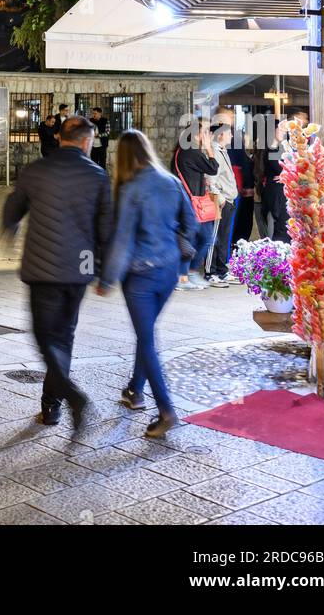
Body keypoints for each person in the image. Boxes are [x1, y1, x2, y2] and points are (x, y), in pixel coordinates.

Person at [2, 116, 113, 429]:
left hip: (41, 267)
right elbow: (106, 230)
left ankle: (62, 401)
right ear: (85, 141)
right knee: (64, 337)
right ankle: (55, 403)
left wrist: (9, 228)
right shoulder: (97, 175)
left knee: (44, 337)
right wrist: (103, 274)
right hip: (81, 267)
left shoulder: (37, 170)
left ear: (60, 136)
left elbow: (13, 208)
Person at [98, 129, 197, 439]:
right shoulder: (171, 181)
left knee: (147, 339)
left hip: (140, 274)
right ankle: (135, 391)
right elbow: (192, 224)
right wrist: (183, 264)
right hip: (168, 270)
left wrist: (107, 278)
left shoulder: (130, 189)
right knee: (147, 333)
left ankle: (166, 410)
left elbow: (123, 241)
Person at [173, 121, 219, 289]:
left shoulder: (183, 152)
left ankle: (189, 273)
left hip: (191, 202)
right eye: (203, 133)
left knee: (204, 238)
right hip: (192, 204)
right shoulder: (191, 152)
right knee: (193, 239)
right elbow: (213, 168)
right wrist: (209, 149)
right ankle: (183, 276)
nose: (206, 136)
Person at [205, 116, 239, 283]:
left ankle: (221, 269)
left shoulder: (222, 151)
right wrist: (220, 197)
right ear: (220, 135)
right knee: (216, 236)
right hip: (222, 201)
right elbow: (211, 178)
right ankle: (210, 272)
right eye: (229, 134)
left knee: (224, 237)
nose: (231, 137)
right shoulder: (215, 152)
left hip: (229, 200)